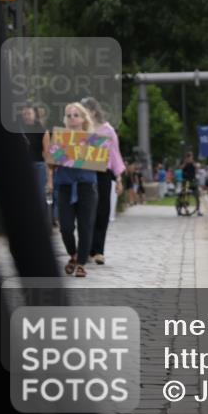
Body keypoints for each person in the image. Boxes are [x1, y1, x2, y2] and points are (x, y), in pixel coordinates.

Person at [44, 103, 100, 278]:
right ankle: (74, 255)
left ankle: (81, 264)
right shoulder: (60, 137)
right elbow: (51, 164)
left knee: (85, 227)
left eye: (76, 115)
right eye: (69, 115)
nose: (72, 118)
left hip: (86, 187)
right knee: (65, 227)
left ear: (83, 118)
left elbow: (98, 162)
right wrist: (55, 157)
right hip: (65, 187)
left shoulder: (93, 138)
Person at [81, 97, 127, 263]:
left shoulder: (107, 130)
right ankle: (85, 249)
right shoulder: (80, 128)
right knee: (85, 211)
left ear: (93, 111)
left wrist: (118, 178)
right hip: (84, 173)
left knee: (102, 211)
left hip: (103, 173)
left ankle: (98, 250)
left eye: (84, 110)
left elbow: (115, 154)